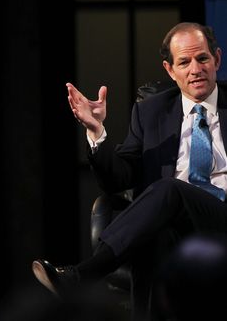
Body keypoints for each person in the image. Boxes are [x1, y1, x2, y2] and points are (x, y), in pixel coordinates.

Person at [32, 22, 227, 320]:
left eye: (202, 58)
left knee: (168, 188)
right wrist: (97, 132)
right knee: (154, 235)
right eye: (184, 62)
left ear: (217, 59)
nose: (195, 69)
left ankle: (84, 274)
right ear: (170, 70)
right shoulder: (151, 112)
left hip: (220, 217)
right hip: (172, 225)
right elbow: (117, 179)